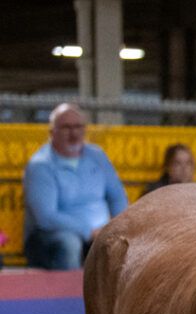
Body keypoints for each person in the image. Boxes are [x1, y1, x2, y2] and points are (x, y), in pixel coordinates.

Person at [22, 102, 128, 270]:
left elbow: (117, 197)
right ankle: (68, 295)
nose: (74, 133)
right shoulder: (40, 165)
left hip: (99, 233)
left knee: (124, 242)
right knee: (69, 243)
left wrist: (118, 226)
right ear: (52, 132)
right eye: (66, 128)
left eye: (78, 127)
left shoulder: (97, 155)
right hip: (48, 236)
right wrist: (89, 231)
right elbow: (46, 217)